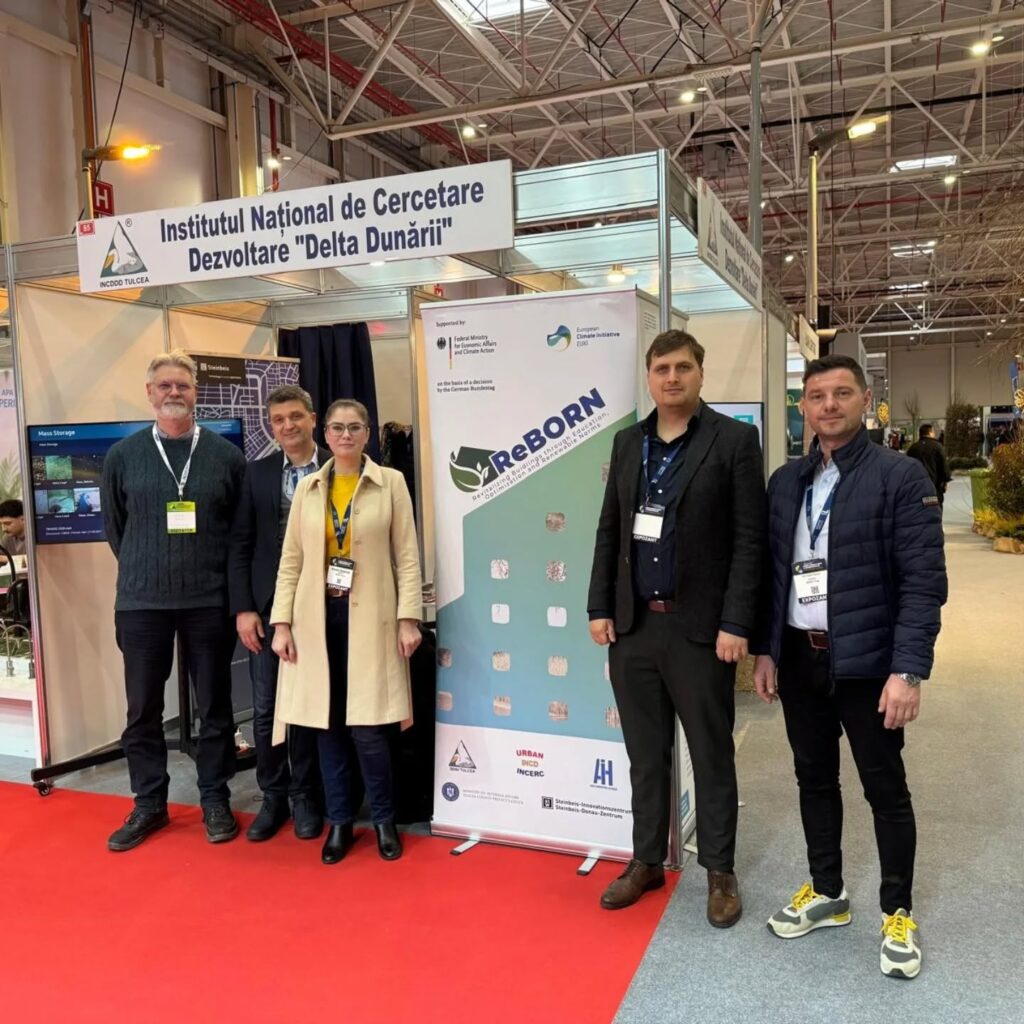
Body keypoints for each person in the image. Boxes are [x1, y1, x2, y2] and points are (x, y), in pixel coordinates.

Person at [752, 354, 947, 980]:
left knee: (884, 789)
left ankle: (897, 911)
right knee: (813, 779)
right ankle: (828, 890)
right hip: (800, 659)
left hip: (869, 665)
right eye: (816, 396)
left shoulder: (899, 475)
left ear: (865, 400)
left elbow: (924, 583)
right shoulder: (787, 481)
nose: (829, 405)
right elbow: (772, 575)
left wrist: (908, 670)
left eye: (841, 393)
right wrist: (766, 649)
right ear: (804, 407)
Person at [587, 329, 767, 926]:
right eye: (662, 368)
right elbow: (610, 530)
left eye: (683, 367)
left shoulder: (733, 441)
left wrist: (736, 621)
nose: (672, 377)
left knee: (711, 754)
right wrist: (599, 606)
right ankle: (646, 861)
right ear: (649, 377)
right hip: (635, 628)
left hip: (701, 631)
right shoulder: (628, 442)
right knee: (644, 755)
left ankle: (719, 870)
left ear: (700, 374)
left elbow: (749, 541)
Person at [100, 350, 246, 851]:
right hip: (142, 603)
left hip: (209, 601)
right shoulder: (123, 456)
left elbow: (237, 532)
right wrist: (148, 568)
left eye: (182, 385)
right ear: (149, 393)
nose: (173, 393)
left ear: (195, 392)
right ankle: (149, 803)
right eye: (164, 385)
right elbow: (116, 529)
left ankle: (215, 798)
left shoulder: (226, 457)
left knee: (215, 705)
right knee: (142, 709)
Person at [269, 399, 422, 865]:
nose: (345, 435)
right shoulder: (309, 488)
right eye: (337, 428)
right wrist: (281, 623)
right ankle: (339, 822)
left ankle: (383, 820)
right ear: (326, 433)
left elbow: (407, 556)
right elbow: (291, 561)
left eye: (354, 427)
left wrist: (409, 618)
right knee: (328, 726)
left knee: (370, 729)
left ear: (368, 433)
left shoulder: (390, 483)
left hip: (372, 618)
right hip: (318, 619)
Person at [228, 385, 329, 842]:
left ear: (312, 418)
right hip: (269, 608)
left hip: (325, 604)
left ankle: (307, 795)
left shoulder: (338, 466)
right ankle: (273, 796)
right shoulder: (257, 474)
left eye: (295, 416)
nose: (287, 426)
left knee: (309, 705)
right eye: (278, 420)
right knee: (267, 707)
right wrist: (244, 609)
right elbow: (241, 545)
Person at [906, 424, 952, 508]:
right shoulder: (937, 446)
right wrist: (945, 480)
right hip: (934, 485)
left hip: (916, 486)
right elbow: (943, 465)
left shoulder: (913, 448)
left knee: (919, 508)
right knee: (933, 507)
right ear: (930, 433)